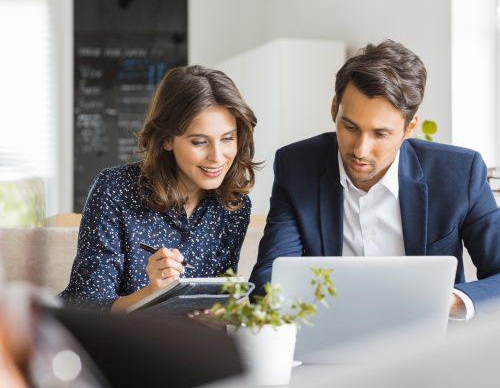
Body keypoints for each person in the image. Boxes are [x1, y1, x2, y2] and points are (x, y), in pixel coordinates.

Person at [249, 39, 500, 319]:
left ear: (410, 127)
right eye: (350, 127)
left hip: (428, 342)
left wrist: (450, 301)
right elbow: (269, 277)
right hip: (330, 335)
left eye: (380, 134)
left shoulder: (459, 173)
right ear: (335, 109)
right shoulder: (297, 166)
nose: (360, 150)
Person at [61, 65, 258, 311]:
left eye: (228, 138)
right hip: (109, 342)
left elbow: (218, 301)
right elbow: (86, 306)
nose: (217, 157)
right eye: (199, 142)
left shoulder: (234, 207)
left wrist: (215, 316)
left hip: (179, 345)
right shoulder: (114, 189)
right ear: (166, 139)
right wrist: (152, 292)